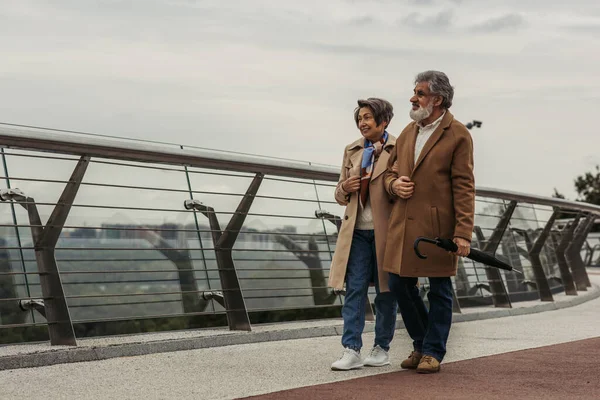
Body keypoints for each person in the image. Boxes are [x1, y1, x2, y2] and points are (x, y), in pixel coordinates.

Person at [383, 70, 475, 374]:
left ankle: (433, 351)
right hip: (404, 225)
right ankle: (421, 343)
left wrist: (462, 233)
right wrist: (394, 185)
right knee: (398, 283)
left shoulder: (458, 134)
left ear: (437, 99)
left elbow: (464, 185)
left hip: (438, 228)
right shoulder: (407, 132)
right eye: (415, 92)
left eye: (420, 93)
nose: (413, 98)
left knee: (439, 288)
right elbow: (389, 173)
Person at [328, 98, 398, 371]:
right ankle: (351, 349)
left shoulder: (398, 148)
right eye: (360, 119)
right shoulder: (352, 150)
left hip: (387, 232)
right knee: (354, 289)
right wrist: (345, 186)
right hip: (356, 232)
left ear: (384, 122)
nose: (362, 123)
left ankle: (382, 347)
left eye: (368, 118)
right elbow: (339, 195)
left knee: (385, 292)